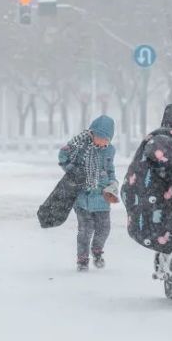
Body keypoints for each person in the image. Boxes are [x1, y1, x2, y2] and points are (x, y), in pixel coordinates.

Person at [58, 115, 118, 272]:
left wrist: (113, 183)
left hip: (102, 196)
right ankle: (82, 260)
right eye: (101, 138)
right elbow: (62, 156)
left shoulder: (110, 150)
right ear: (93, 134)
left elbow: (110, 169)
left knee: (104, 229)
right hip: (82, 196)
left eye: (107, 140)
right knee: (85, 230)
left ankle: (97, 251)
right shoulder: (80, 145)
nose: (104, 142)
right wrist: (73, 171)